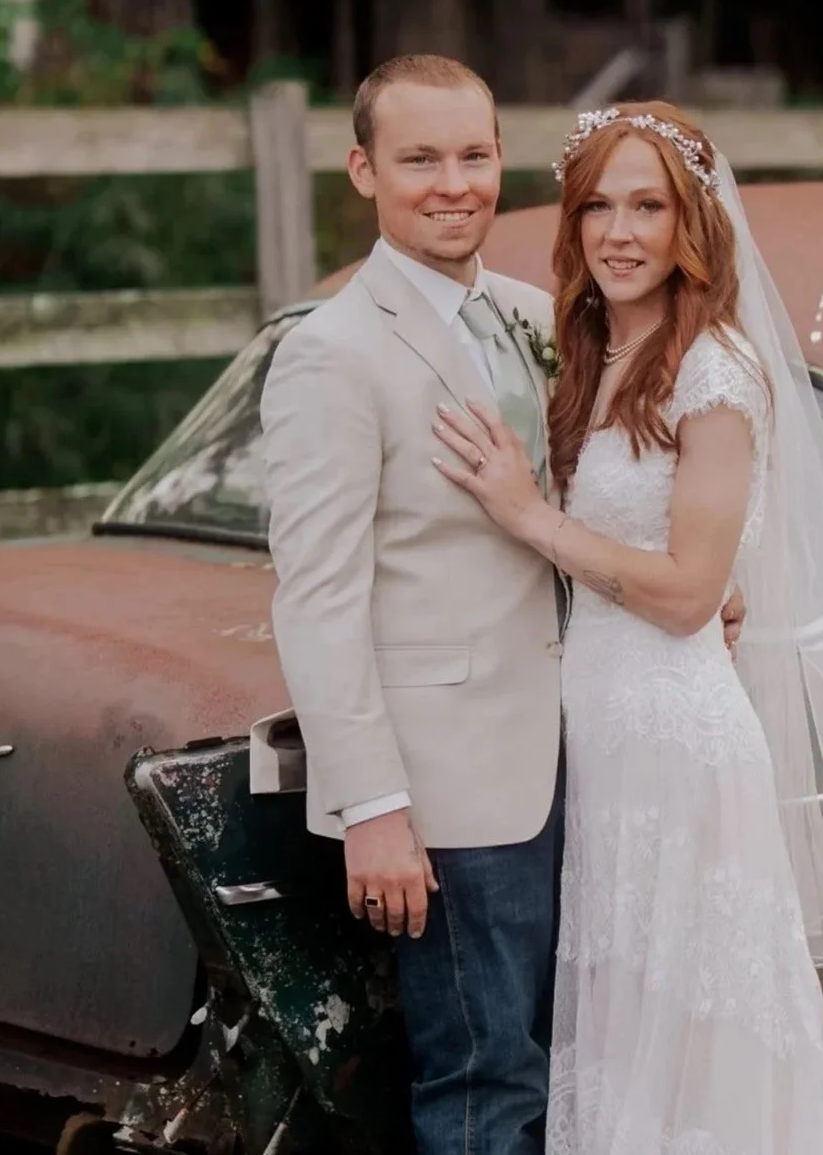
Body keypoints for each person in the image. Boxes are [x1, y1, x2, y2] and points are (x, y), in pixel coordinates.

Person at [260, 60, 744, 1155]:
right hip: (456, 794)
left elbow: (612, 495)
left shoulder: (546, 318)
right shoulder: (329, 353)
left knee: (593, 1063)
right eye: (419, 158)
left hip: (604, 760)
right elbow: (319, 598)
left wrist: (697, 581)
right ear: (361, 170)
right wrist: (371, 803)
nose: (453, 183)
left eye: (472, 156)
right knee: (486, 1080)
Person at [430, 102, 823, 1153]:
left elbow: (692, 590)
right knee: (615, 1038)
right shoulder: (581, 351)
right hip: (589, 736)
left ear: (691, 221)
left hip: (674, 748)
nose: (619, 231)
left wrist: (529, 515)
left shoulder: (716, 371)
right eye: (597, 205)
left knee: (696, 1047)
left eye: (647, 205)